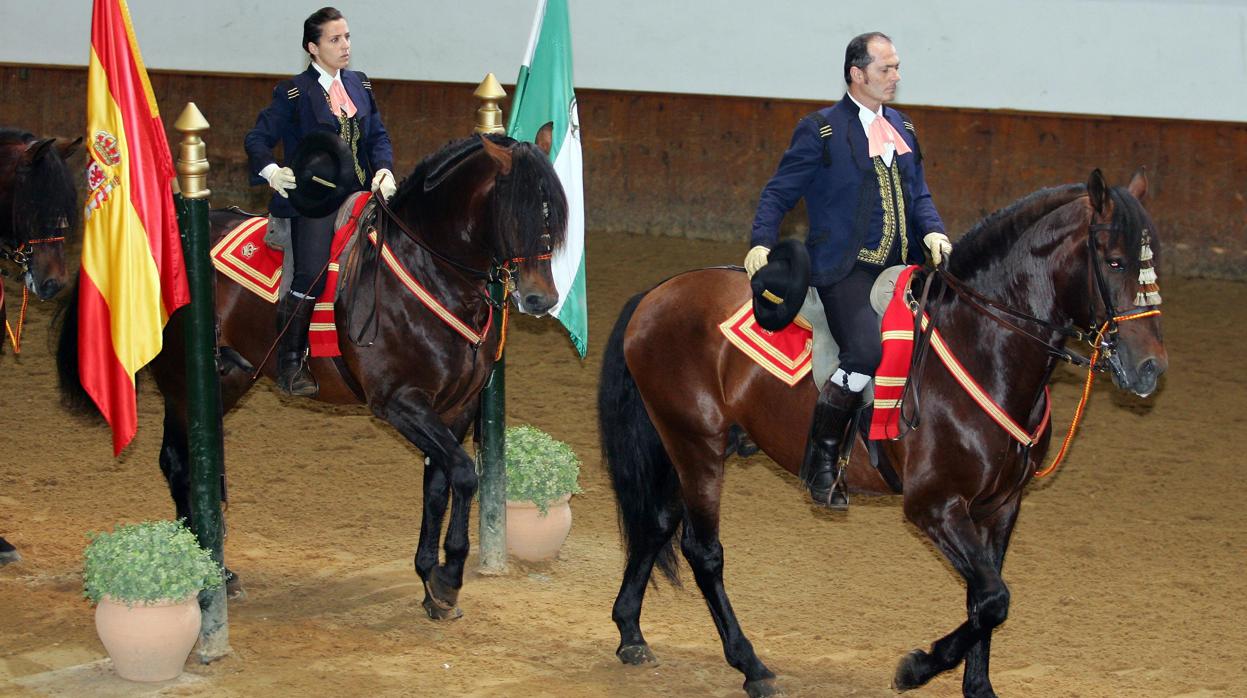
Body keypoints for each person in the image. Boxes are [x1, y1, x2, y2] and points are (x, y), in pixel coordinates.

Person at [745, 31, 951, 509]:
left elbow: (919, 194)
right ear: (857, 74)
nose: (895, 76)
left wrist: (934, 232)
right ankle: (822, 457)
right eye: (886, 69)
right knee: (862, 352)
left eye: (897, 67)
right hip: (844, 271)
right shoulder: (821, 130)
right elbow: (779, 192)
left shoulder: (903, 126)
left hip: (902, 267)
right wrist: (760, 240)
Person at [244, 6, 396, 397]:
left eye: (347, 37)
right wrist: (272, 172)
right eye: (334, 39)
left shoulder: (360, 84)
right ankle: (291, 360)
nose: (345, 46)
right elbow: (257, 139)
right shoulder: (293, 92)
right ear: (313, 48)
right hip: (315, 200)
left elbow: (377, 136)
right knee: (311, 271)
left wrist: (384, 170)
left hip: (363, 194)